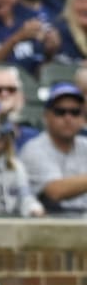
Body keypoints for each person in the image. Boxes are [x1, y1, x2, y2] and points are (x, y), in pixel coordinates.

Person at [20, 82, 87, 216]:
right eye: (60, 112)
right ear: (46, 116)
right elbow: (55, 191)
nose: (68, 118)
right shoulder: (34, 148)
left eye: (75, 112)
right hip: (51, 223)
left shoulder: (85, 145)